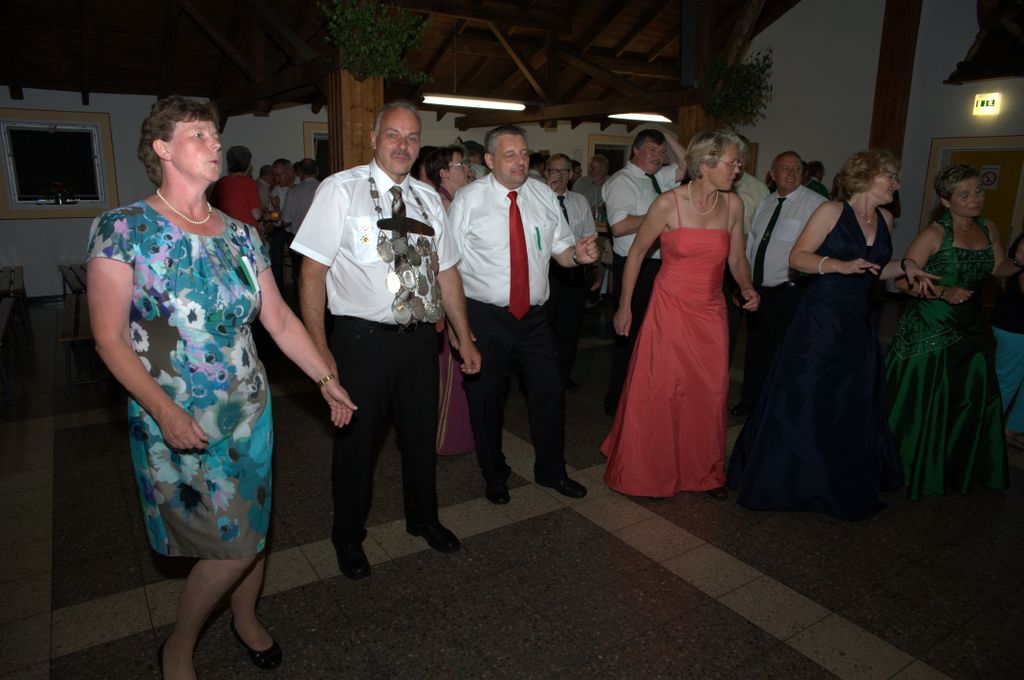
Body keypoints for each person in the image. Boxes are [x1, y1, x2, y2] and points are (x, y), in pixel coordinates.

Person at [86, 96, 355, 680]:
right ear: (162, 149)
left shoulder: (241, 235)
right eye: (199, 136)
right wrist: (163, 410)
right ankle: (179, 646)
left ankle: (245, 617)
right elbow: (108, 339)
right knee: (227, 545)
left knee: (250, 529)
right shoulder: (124, 229)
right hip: (173, 415)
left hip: (247, 413)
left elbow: (278, 320)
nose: (214, 145)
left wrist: (326, 379)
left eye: (215, 135)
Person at [292, 100, 481, 580]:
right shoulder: (341, 190)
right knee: (357, 446)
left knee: (419, 438)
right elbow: (311, 273)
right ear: (374, 139)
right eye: (393, 135)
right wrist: (320, 351)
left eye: (412, 137)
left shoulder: (429, 199)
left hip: (420, 343)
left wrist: (464, 336)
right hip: (362, 342)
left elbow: (447, 271)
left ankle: (424, 519)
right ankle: (348, 536)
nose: (402, 145)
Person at [727, 149, 934, 520]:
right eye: (890, 176)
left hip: (860, 321)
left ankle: (834, 474)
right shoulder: (831, 212)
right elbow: (798, 258)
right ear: (867, 176)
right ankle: (791, 476)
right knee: (807, 395)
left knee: (849, 399)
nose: (897, 184)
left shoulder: (885, 218)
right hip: (821, 319)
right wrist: (837, 265)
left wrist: (906, 265)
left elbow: (875, 268)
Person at [601, 130, 759, 499]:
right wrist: (624, 306)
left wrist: (746, 286)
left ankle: (704, 471)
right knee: (664, 389)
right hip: (669, 307)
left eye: (738, 164)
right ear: (705, 164)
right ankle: (650, 468)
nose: (737, 170)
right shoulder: (668, 204)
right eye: (731, 163)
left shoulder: (733, 206)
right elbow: (636, 253)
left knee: (709, 390)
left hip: (711, 310)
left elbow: (737, 257)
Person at [447, 124, 599, 505]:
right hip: (484, 315)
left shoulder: (542, 195)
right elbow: (447, 265)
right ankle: (494, 474)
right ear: (489, 160)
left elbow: (560, 249)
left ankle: (551, 470)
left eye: (525, 154)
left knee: (550, 391)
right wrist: (456, 326)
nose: (520, 162)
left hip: (533, 317)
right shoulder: (468, 200)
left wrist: (578, 256)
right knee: (487, 399)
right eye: (510, 155)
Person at [885, 164, 1021, 499]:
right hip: (929, 327)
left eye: (978, 191)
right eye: (965, 194)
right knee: (926, 398)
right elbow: (901, 281)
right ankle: (908, 464)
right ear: (946, 201)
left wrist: (1019, 263)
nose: (975, 199)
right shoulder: (934, 234)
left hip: (969, 327)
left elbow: (998, 267)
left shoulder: (988, 227)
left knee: (967, 397)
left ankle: (948, 464)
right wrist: (943, 291)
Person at [731, 151, 826, 416]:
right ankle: (751, 400)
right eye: (785, 168)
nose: (792, 173)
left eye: (796, 168)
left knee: (785, 352)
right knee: (756, 348)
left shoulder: (816, 204)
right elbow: (753, 244)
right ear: (772, 174)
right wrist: (745, 283)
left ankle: (779, 407)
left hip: (791, 291)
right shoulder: (767, 202)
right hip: (760, 290)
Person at [602, 128, 688, 415]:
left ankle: (643, 397)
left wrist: (667, 133)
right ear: (635, 150)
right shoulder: (621, 181)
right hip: (634, 266)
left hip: (658, 265)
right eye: (652, 150)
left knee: (654, 335)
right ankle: (618, 402)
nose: (659, 156)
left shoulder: (658, 177)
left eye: (662, 152)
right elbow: (619, 226)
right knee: (629, 334)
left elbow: (688, 164)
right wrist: (659, 215)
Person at [424, 145, 475, 456]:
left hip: (462, 290)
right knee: (451, 370)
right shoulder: (441, 205)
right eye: (461, 165)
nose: (467, 169)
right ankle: (445, 438)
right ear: (443, 172)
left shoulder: (457, 201)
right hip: (448, 295)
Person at [544, 153, 597, 391]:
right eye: (555, 170)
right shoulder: (538, 200)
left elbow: (588, 234)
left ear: (571, 174)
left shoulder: (579, 201)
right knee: (545, 327)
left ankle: (563, 375)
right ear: (546, 173)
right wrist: (547, 194)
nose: (560, 175)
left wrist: (592, 268)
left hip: (574, 272)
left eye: (565, 171)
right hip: (547, 271)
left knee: (570, 327)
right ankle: (541, 376)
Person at [993, 233, 1024, 449]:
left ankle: (1014, 428)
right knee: (1006, 382)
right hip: (1015, 326)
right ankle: (985, 431)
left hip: (1017, 325)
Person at [279, 157, 320, 289]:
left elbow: (285, 221)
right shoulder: (324, 188)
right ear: (316, 171)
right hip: (321, 241)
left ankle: (300, 301)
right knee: (321, 277)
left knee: (300, 277)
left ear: (300, 173)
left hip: (299, 242)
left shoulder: (293, 192)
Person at [209, 145, 262, 227]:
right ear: (248, 165)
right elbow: (256, 215)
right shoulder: (249, 183)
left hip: (227, 230)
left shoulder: (221, 182)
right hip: (246, 231)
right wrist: (263, 212)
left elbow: (211, 208)